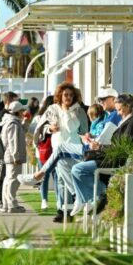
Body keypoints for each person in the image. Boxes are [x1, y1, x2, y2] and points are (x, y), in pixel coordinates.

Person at [18, 83, 89, 223]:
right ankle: (63, 209)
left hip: (72, 147)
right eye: (65, 95)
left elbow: (81, 130)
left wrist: (68, 112)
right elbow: (39, 128)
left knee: (64, 177)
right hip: (56, 146)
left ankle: (66, 208)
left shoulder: (79, 111)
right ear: (60, 96)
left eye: (71, 95)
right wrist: (50, 129)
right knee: (60, 179)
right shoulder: (52, 109)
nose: (68, 97)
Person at [70, 93, 133, 216]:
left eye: (120, 109)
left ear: (129, 106)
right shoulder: (128, 121)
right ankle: (92, 197)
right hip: (112, 157)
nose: (119, 113)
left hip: (116, 160)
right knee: (76, 169)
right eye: (117, 110)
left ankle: (101, 194)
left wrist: (99, 147)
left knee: (78, 169)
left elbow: (122, 148)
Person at [0, 101, 28, 213]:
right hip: (13, 156)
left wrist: (25, 122)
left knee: (8, 180)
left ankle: (7, 204)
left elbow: (21, 132)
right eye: (22, 110)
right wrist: (16, 156)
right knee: (13, 180)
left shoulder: (12, 122)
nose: (23, 112)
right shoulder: (13, 123)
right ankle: (12, 205)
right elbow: (13, 142)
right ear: (17, 112)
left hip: (10, 156)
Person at [0, 92, 18, 211]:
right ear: (8, 101)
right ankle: (2, 201)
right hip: (5, 151)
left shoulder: (4, 115)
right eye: (15, 101)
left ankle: (4, 201)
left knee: (7, 177)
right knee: (5, 177)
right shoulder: (4, 115)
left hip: (5, 150)